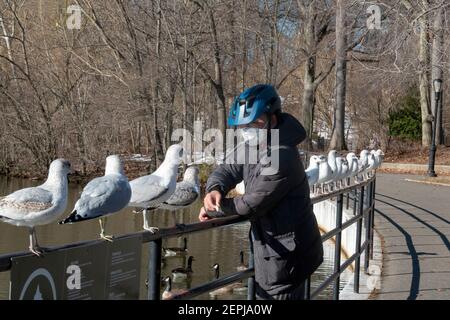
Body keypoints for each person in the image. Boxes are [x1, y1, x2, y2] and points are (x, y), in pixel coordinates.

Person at [198, 84, 323, 300]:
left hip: (287, 257)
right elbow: (227, 169)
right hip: (274, 250)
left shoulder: (282, 156)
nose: (248, 130)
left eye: (254, 123)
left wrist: (216, 210)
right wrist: (214, 189)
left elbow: (250, 204)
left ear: (272, 120)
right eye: (243, 126)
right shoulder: (256, 144)